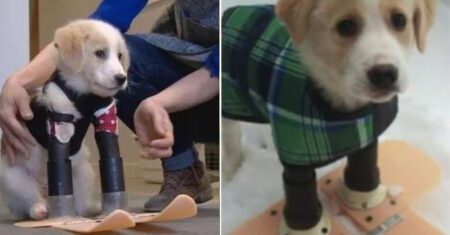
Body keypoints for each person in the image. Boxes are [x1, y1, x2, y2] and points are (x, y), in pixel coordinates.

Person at [0, 0, 219, 212]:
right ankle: (183, 168)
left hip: (239, 96)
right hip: (197, 80)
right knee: (120, 59)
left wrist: (158, 103)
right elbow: (102, 21)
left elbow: (227, 63)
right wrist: (17, 82)